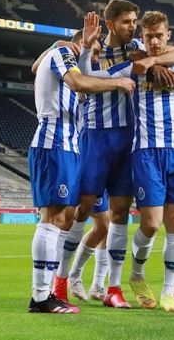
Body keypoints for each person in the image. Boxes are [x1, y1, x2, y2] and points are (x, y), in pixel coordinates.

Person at [79, 11, 174, 313]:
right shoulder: (133, 68)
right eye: (148, 35)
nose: (152, 41)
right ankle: (137, 273)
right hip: (146, 152)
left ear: (168, 35)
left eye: (158, 35)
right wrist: (85, 53)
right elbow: (92, 78)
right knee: (150, 224)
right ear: (144, 35)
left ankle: (168, 293)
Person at [45, 1, 174, 309]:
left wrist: (153, 63)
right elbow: (79, 80)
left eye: (135, 21)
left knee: (119, 214)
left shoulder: (138, 47)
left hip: (129, 140)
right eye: (127, 22)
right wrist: (87, 49)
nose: (133, 27)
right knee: (81, 211)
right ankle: (61, 280)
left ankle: (113, 288)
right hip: (95, 138)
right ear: (110, 24)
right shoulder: (92, 47)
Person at [27, 36, 135, 314]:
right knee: (52, 219)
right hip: (54, 143)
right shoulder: (64, 53)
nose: (95, 59)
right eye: (93, 51)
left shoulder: (56, 54)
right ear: (78, 45)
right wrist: (118, 82)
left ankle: (50, 292)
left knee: (63, 219)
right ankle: (40, 298)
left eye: (97, 54)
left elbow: (34, 67)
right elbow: (77, 82)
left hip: (68, 146)